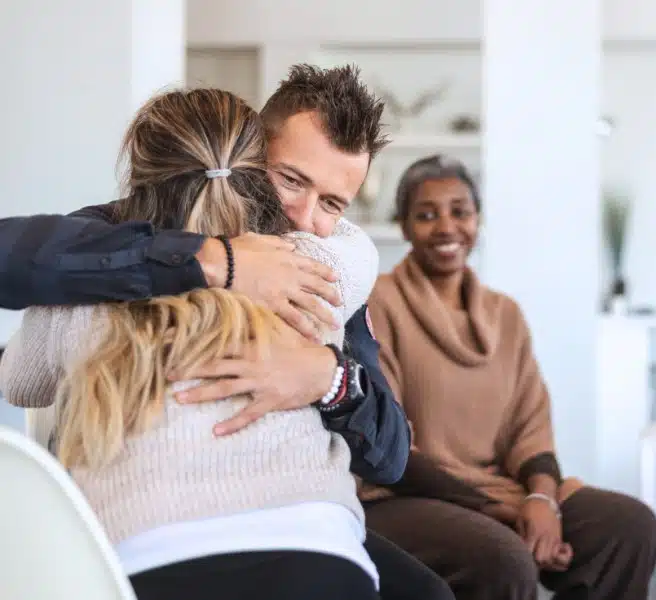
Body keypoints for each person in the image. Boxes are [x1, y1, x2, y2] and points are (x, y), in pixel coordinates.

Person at [0, 65, 452, 600]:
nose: (305, 218)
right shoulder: (115, 230)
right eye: (291, 180)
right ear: (249, 151)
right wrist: (213, 261)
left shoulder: (323, 271)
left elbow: (391, 454)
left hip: (290, 518)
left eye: (333, 204)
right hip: (164, 521)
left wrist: (326, 379)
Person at [360, 154, 656, 600]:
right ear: (403, 227)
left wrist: (541, 501)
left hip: (504, 490)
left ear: (477, 220)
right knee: (503, 556)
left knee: (627, 526)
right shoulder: (377, 305)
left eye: (460, 211)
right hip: (403, 495)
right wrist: (506, 511)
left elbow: (531, 429)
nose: (446, 227)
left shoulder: (505, 315)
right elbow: (389, 446)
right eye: (426, 215)